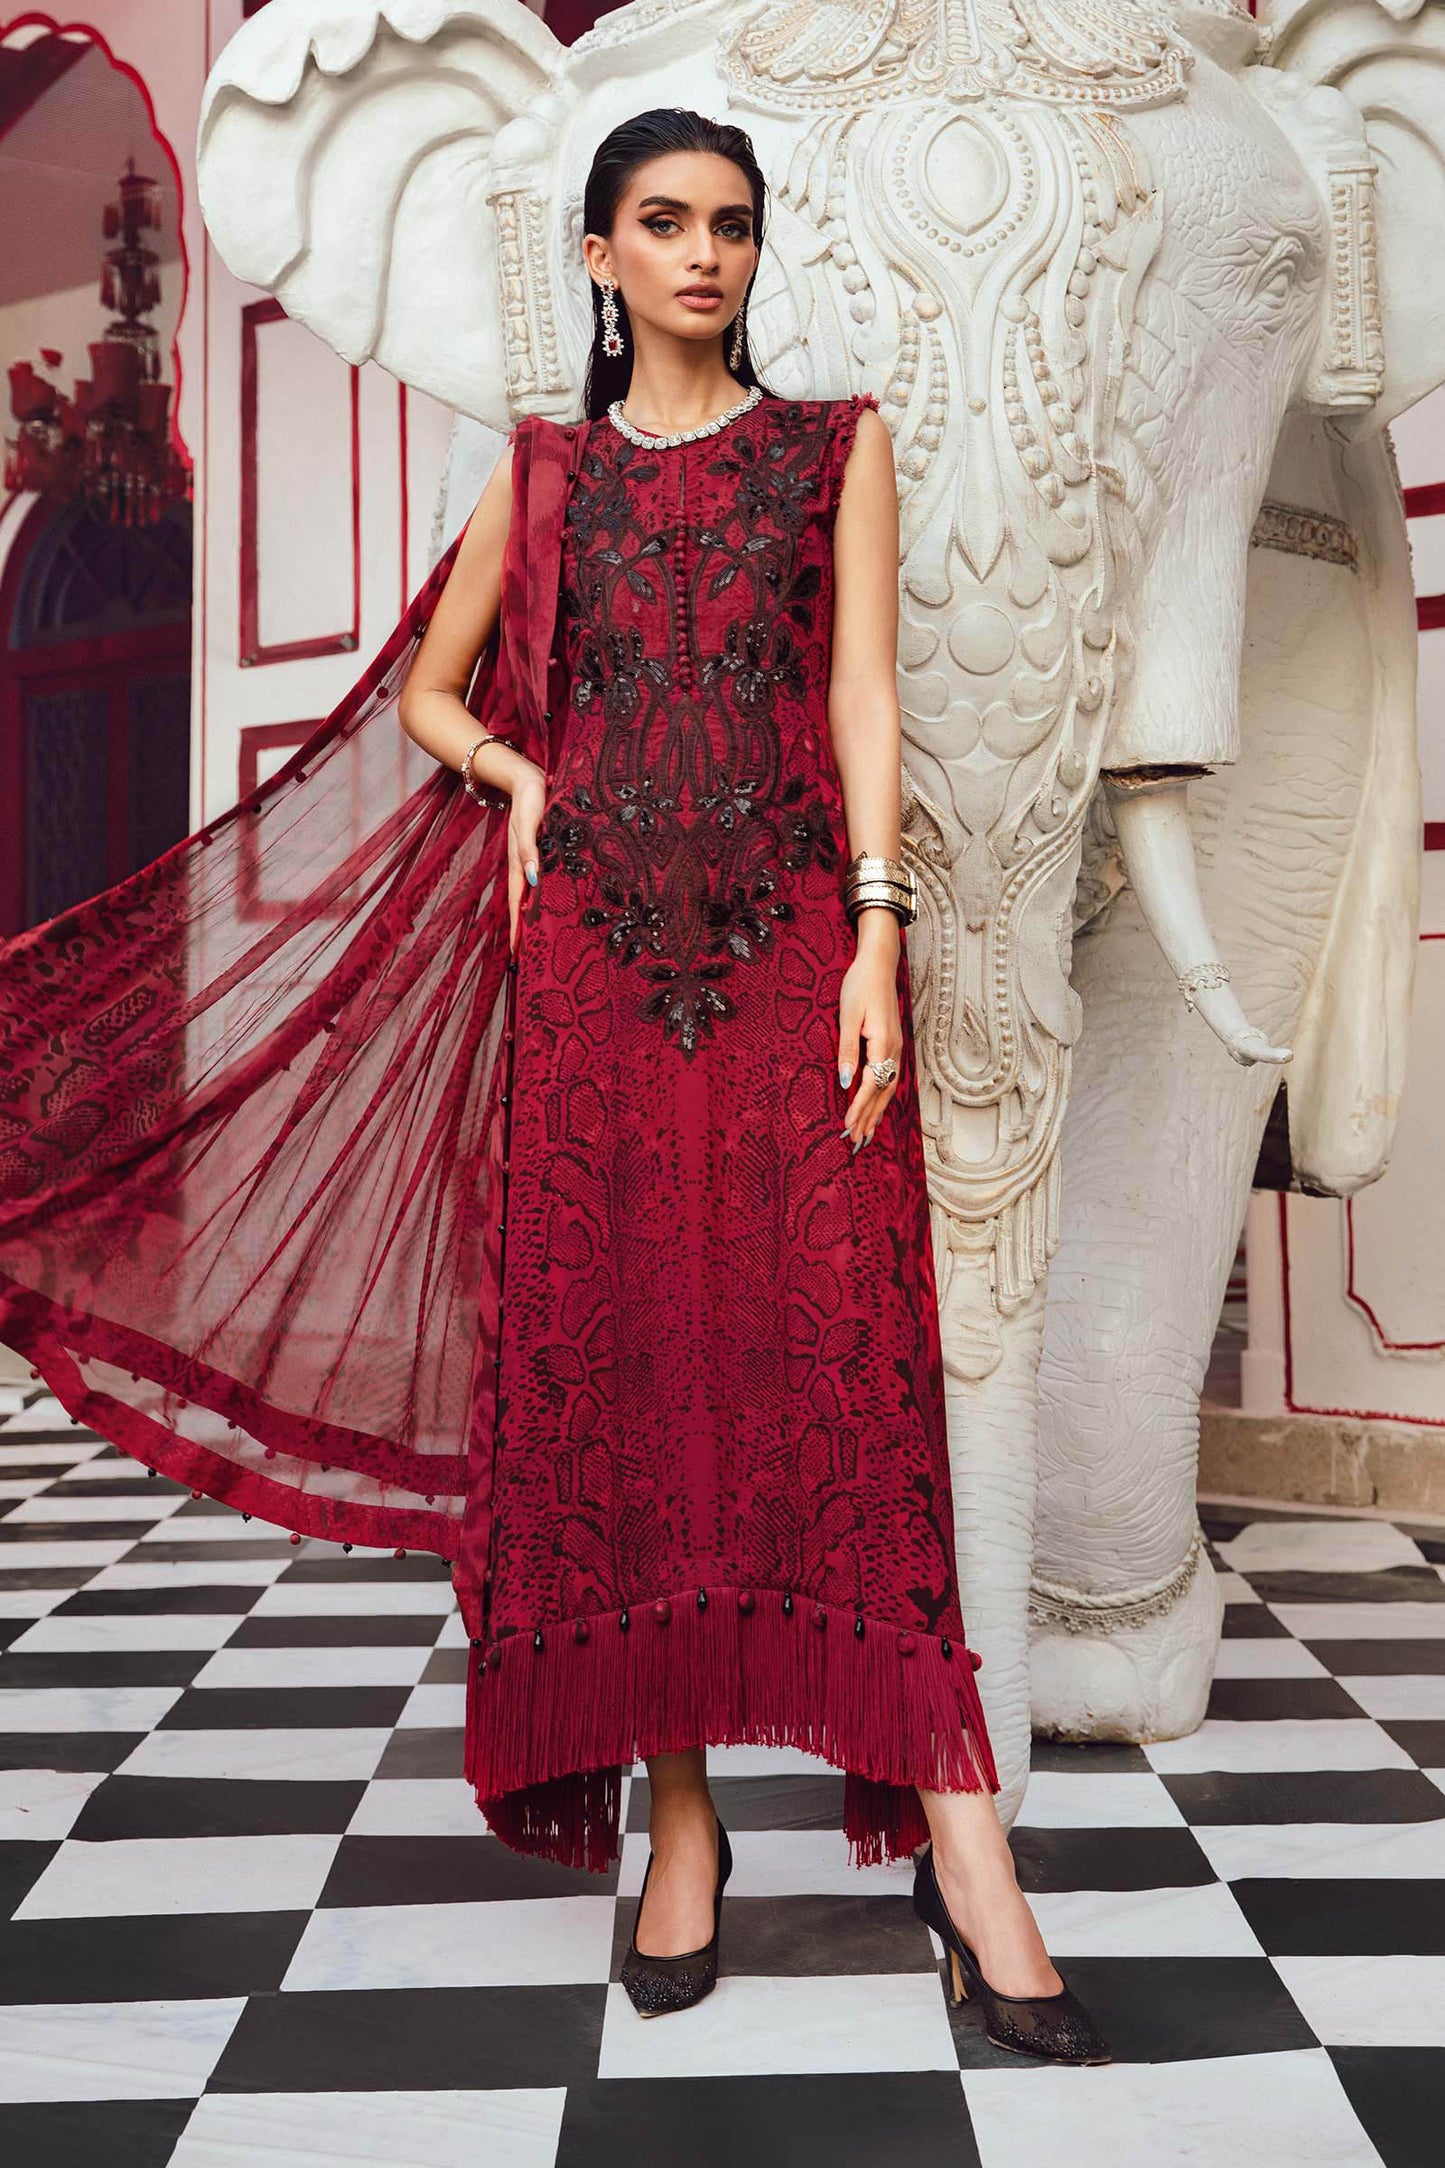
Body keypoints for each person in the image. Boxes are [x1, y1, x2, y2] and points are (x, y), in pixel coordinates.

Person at [393, 106, 1108, 2061]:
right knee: (639, 1382)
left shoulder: (832, 448)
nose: (703, 254)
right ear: (602, 258)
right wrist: (521, 774)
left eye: (729, 224)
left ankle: (969, 1851)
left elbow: (867, 695)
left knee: (842, 1377)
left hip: (797, 955)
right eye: (663, 225)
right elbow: (428, 693)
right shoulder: (542, 481)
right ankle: (680, 1808)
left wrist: (880, 930)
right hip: (599, 985)